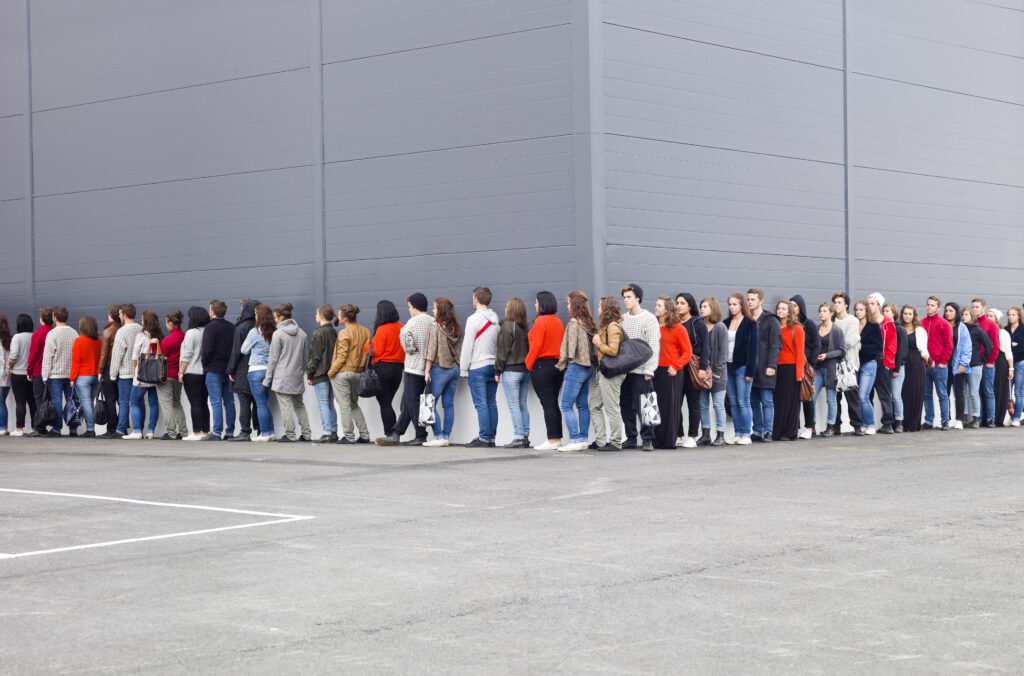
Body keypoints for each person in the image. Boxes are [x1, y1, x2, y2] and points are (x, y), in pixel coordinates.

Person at [378, 293, 432, 447]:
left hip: (413, 367)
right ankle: (396, 432)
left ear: (415, 307)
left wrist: (410, 348)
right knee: (407, 402)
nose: (409, 310)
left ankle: (420, 435)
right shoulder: (433, 322)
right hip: (428, 368)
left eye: (410, 307)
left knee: (412, 401)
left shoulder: (412, 322)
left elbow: (403, 335)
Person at [620, 284, 660, 452]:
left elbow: (654, 346)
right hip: (624, 370)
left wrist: (650, 370)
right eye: (624, 297)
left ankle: (648, 439)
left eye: (629, 297)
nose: (626, 300)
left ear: (638, 298)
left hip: (642, 370)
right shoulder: (622, 318)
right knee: (625, 404)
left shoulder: (649, 318)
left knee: (647, 404)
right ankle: (630, 437)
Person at [556, 291, 598, 452]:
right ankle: (582, 439)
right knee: (582, 405)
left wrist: (562, 360)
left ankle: (574, 440)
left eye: (568, 303)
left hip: (576, 367)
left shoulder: (574, 323)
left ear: (573, 305)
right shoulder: (588, 324)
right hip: (587, 368)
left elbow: (570, 349)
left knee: (565, 405)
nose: (567, 307)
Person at [264, 303, 311, 442]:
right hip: (297, 375)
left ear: (281, 317)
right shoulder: (302, 333)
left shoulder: (278, 334)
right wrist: (301, 372)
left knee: (286, 407)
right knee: (299, 405)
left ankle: (290, 435)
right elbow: (305, 358)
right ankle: (307, 434)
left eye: (275, 317)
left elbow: (273, 359)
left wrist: (267, 378)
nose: (274, 320)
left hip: (282, 377)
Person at [460, 287, 500, 447]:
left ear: (476, 299)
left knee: (481, 404)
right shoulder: (495, 319)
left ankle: (483, 437)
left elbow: (467, 346)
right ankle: (491, 438)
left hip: (478, 366)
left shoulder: (473, 320)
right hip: (493, 365)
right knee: (491, 402)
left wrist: (463, 369)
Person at [526, 291, 564, 451]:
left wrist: (528, 364)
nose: (534, 305)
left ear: (542, 304)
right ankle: (556, 438)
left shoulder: (540, 321)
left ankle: (553, 439)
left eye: (536, 302)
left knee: (548, 404)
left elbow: (536, 346)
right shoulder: (558, 322)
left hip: (542, 366)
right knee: (553, 403)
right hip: (558, 367)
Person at [652, 295, 692, 449]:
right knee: (654, 406)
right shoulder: (653, 327)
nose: (656, 307)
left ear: (667, 309)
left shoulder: (678, 328)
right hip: (653, 370)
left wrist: (676, 366)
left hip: (671, 372)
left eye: (660, 305)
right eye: (656, 305)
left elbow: (687, 352)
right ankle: (655, 440)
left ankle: (669, 441)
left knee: (669, 407)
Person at [328, 304, 371, 444]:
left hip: (342, 373)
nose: (338, 317)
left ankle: (348, 436)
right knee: (354, 404)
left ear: (345, 318)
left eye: (339, 315)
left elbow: (341, 356)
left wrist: (331, 372)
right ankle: (364, 435)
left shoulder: (344, 333)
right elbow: (367, 353)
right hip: (358, 373)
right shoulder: (365, 332)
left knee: (344, 405)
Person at [423, 298, 463, 447]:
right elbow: (460, 351)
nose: (432, 311)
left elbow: (431, 351)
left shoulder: (435, 327)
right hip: (454, 369)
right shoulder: (454, 328)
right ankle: (446, 437)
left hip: (440, 369)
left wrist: (427, 371)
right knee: (448, 405)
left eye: (434, 308)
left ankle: (438, 436)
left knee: (430, 404)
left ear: (440, 310)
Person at [494, 297, 531, 449]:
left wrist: (497, 370)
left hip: (511, 371)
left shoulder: (507, 326)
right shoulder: (524, 328)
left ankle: (518, 437)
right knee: (522, 404)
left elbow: (502, 351)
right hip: (525, 370)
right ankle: (525, 437)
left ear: (510, 310)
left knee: (514, 405)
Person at [590, 296, 625, 451]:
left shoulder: (612, 327)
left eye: (599, 307)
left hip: (611, 373)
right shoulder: (606, 326)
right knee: (594, 406)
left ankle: (616, 442)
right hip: (603, 372)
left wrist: (598, 344)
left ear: (605, 309)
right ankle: (600, 440)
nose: (597, 310)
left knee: (611, 408)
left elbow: (613, 350)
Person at [369, 300, 406, 442]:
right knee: (388, 401)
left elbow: (376, 351)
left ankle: (391, 433)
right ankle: (393, 432)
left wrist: (367, 347)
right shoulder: (402, 327)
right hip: (398, 369)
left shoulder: (382, 329)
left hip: (382, 368)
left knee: (384, 403)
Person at [747, 288, 781, 443]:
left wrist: (772, 365)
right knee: (753, 400)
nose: (749, 302)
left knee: (766, 400)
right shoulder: (746, 319)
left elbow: (776, 345)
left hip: (766, 366)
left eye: (753, 299)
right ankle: (758, 431)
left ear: (761, 300)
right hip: (751, 367)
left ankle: (768, 431)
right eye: (748, 299)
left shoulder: (771, 319)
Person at [226, 299, 261, 442]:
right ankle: (261, 431)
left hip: (242, 370)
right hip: (259, 369)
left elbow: (236, 352)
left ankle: (245, 431)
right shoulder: (261, 326)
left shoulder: (241, 328)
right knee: (258, 402)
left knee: (244, 401)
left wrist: (230, 370)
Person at [725, 293, 758, 445]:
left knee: (743, 400)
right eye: (730, 304)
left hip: (742, 367)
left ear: (741, 305)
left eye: (734, 304)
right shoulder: (726, 323)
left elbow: (753, 350)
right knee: (733, 402)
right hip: (728, 366)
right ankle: (738, 433)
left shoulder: (750, 323)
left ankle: (746, 433)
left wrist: (750, 371)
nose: (731, 307)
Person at [201, 299, 236, 441]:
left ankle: (216, 432)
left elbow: (207, 350)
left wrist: (205, 364)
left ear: (212, 311)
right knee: (229, 402)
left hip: (214, 369)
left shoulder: (210, 327)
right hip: (228, 371)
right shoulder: (232, 327)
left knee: (216, 402)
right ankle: (230, 432)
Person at [42, 306, 79, 437]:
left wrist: (44, 375)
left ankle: (57, 429)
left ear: (55, 317)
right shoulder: (74, 333)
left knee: (57, 401)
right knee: (72, 402)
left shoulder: (52, 334)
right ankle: (73, 429)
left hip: (56, 374)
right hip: (71, 375)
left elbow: (48, 356)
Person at [242, 303, 276, 442]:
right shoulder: (275, 331)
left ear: (259, 316)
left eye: (256, 315)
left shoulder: (254, 332)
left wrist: (253, 349)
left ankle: (265, 433)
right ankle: (271, 432)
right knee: (264, 403)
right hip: (269, 371)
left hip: (256, 370)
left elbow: (243, 349)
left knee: (260, 403)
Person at [126, 311, 162, 440]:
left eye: (142, 319)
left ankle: (137, 430)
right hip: (156, 375)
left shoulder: (141, 336)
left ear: (146, 321)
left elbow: (135, 356)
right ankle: (151, 431)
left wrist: (136, 367)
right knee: (153, 403)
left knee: (134, 402)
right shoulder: (159, 335)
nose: (141, 321)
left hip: (142, 376)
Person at [675, 293, 705, 448]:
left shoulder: (697, 322)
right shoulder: (674, 323)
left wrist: (703, 368)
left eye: (683, 303)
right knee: (676, 403)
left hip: (693, 368)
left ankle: (692, 436)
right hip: (678, 368)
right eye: (677, 302)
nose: (679, 305)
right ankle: (678, 435)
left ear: (690, 305)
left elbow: (706, 347)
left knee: (693, 403)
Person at [773, 300, 805, 442]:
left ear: (789, 312)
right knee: (777, 401)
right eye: (779, 308)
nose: (780, 311)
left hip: (790, 368)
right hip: (775, 367)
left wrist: (799, 374)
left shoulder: (797, 328)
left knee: (789, 402)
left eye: (783, 309)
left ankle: (789, 432)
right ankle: (777, 432)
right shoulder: (774, 327)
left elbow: (800, 352)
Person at [813, 302, 846, 437]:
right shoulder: (816, 329)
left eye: (825, 311)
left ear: (831, 313)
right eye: (820, 311)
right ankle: (812, 426)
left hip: (831, 369)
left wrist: (827, 355)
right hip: (817, 370)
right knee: (811, 398)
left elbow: (842, 351)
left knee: (831, 400)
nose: (822, 313)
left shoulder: (836, 330)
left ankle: (830, 426)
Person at [109, 305, 142, 438]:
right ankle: (138, 429)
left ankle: (121, 429)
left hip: (125, 373)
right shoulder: (141, 329)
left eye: (120, 314)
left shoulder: (122, 332)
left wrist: (112, 375)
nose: (120, 316)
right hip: (139, 372)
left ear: (125, 315)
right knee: (137, 402)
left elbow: (117, 355)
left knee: (124, 402)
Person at [698, 298, 728, 446]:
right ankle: (705, 434)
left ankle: (721, 435)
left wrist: (717, 372)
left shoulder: (720, 327)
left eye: (705, 307)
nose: (702, 309)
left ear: (713, 309)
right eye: (701, 307)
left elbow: (723, 353)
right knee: (703, 404)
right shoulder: (701, 326)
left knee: (718, 404)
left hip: (717, 375)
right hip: (702, 373)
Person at [832, 292, 863, 434]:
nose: (836, 305)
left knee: (851, 396)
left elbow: (849, 342)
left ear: (846, 305)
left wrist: (833, 347)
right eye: (835, 302)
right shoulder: (832, 321)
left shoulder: (853, 320)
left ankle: (857, 425)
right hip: (833, 364)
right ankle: (836, 425)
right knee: (834, 396)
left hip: (849, 364)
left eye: (839, 302)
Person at [921, 296, 953, 430]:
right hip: (925, 365)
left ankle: (945, 420)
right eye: (928, 304)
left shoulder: (944, 323)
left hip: (940, 366)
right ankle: (929, 420)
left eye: (933, 305)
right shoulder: (921, 322)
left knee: (942, 394)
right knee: (926, 394)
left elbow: (949, 345)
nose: (929, 307)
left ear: (938, 307)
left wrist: (943, 362)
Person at [866, 293, 897, 434]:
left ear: (879, 305)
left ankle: (888, 423)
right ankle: (869, 423)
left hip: (881, 362)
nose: (870, 306)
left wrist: (887, 361)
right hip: (867, 360)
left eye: (873, 303)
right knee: (867, 394)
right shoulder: (865, 321)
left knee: (884, 394)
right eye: (868, 303)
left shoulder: (887, 323)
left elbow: (892, 345)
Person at [307, 305, 339, 442]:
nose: (315, 316)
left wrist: (310, 373)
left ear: (321, 315)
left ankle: (326, 432)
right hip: (332, 373)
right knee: (330, 404)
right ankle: (333, 431)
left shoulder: (318, 333)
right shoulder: (333, 331)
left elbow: (315, 356)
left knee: (323, 403)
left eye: (316, 314)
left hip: (320, 374)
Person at [179, 307, 210, 441]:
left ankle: (196, 432)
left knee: (195, 403)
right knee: (204, 403)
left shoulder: (191, 333)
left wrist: (181, 371)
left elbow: (187, 354)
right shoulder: (208, 331)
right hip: (205, 372)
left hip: (192, 372)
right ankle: (205, 432)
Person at [791, 295, 819, 440]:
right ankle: (794, 427)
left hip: (806, 366)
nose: (792, 308)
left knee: (807, 396)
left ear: (801, 308)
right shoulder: (786, 324)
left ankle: (809, 427)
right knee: (792, 398)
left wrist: (812, 365)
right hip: (790, 365)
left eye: (795, 305)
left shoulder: (809, 325)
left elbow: (816, 345)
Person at [157, 311, 188, 440]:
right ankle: (184, 432)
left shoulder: (168, 340)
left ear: (170, 323)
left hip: (166, 375)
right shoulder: (185, 336)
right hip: (178, 375)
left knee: (166, 405)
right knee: (177, 403)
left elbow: (160, 357)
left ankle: (171, 433)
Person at [69, 315, 101, 437]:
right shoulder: (98, 340)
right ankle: (91, 428)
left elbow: (76, 361)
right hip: (95, 376)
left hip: (82, 376)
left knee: (86, 403)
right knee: (90, 402)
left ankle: (91, 429)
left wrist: (72, 378)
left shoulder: (79, 341)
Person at [899, 305, 929, 433]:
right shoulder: (898, 329)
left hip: (916, 364)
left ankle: (913, 424)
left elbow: (924, 350)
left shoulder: (920, 330)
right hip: (902, 364)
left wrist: (930, 360)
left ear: (914, 316)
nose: (907, 316)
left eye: (910, 314)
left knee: (916, 393)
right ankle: (902, 423)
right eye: (905, 313)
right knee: (903, 393)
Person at [972, 298, 1001, 427]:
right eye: (973, 307)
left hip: (988, 363)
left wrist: (990, 361)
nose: (975, 309)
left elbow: (995, 345)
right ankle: (979, 418)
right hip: (976, 363)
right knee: (976, 391)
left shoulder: (991, 324)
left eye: (977, 307)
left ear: (984, 307)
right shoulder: (972, 324)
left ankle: (991, 418)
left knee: (988, 390)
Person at [962, 306, 992, 428]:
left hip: (974, 365)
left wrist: (982, 360)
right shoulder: (961, 329)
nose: (964, 316)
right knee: (962, 393)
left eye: (966, 314)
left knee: (974, 393)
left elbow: (989, 345)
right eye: (963, 314)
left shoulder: (978, 330)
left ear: (972, 316)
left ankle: (976, 418)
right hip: (961, 365)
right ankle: (963, 417)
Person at [881, 301, 908, 433]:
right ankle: (888, 422)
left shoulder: (900, 329)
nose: (884, 313)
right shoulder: (883, 327)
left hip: (897, 368)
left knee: (896, 396)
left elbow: (902, 351)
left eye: (887, 311)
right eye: (883, 310)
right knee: (887, 395)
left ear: (893, 314)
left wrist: (897, 368)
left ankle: (899, 422)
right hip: (886, 366)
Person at [27, 307, 54, 436]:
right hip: (53, 372)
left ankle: (40, 428)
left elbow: (33, 355)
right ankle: (53, 427)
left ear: (41, 319)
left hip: (39, 371)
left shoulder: (38, 333)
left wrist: (29, 371)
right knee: (51, 400)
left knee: (39, 399)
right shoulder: (53, 332)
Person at [856, 300, 882, 435]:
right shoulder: (854, 325)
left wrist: (862, 347)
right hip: (856, 365)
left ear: (866, 311)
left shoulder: (873, 326)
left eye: (861, 309)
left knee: (863, 395)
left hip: (869, 364)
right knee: (859, 396)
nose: (858, 312)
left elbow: (878, 347)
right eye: (856, 310)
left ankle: (871, 423)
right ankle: (864, 423)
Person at [944, 302, 971, 430]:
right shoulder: (942, 325)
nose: (948, 313)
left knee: (959, 393)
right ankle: (946, 420)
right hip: (944, 365)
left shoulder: (962, 327)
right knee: (945, 393)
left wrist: (963, 364)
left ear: (956, 312)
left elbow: (967, 347)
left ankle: (959, 419)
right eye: (947, 310)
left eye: (951, 311)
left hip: (957, 366)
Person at [7, 314, 35, 436]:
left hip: (18, 373)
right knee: (33, 402)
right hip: (32, 374)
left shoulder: (17, 337)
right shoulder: (34, 336)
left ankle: (19, 428)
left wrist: (10, 366)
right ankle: (34, 428)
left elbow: (13, 355)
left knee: (20, 402)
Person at [97, 304, 122, 437]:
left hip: (108, 368)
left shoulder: (108, 331)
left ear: (111, 316)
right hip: (121, 369)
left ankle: (112, 428)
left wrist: (100, 371)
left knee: (110, 399)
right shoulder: (122, 329)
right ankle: (121, 427)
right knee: (121, 400)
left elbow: (103, 354)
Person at [987, 309, 1013, 427]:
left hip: (1000, 361)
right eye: (987, 315)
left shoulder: (1003, 333)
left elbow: (1008, 352)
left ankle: (998, 418)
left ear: (996, 319)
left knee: (999, 389)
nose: (988, 317)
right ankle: (988, 417)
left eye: (991, 316)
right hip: (987, 360)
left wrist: (1011, 368)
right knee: (988, 389)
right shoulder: (984, 330)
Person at [1007, 306, 1024, 426]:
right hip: (1008, 364)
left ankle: (1017, 417)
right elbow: (1003, 347)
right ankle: (1011, 416)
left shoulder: (1023, 329)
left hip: (1020, 362)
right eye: (1009, 314)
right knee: (1008, 392)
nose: (1011, 317)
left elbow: (1022, 347)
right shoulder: (1006, 329)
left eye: (1013, 314)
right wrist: (1013, 344)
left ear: (1018, 316)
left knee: (1018, 392)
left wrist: (1012, 346)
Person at [0, 316, 10, 435]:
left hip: (1, 376)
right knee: (2, 402)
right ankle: (4, 427)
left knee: (1, 403)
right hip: (8, 377)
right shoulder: (9, 339)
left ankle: (2, 427)